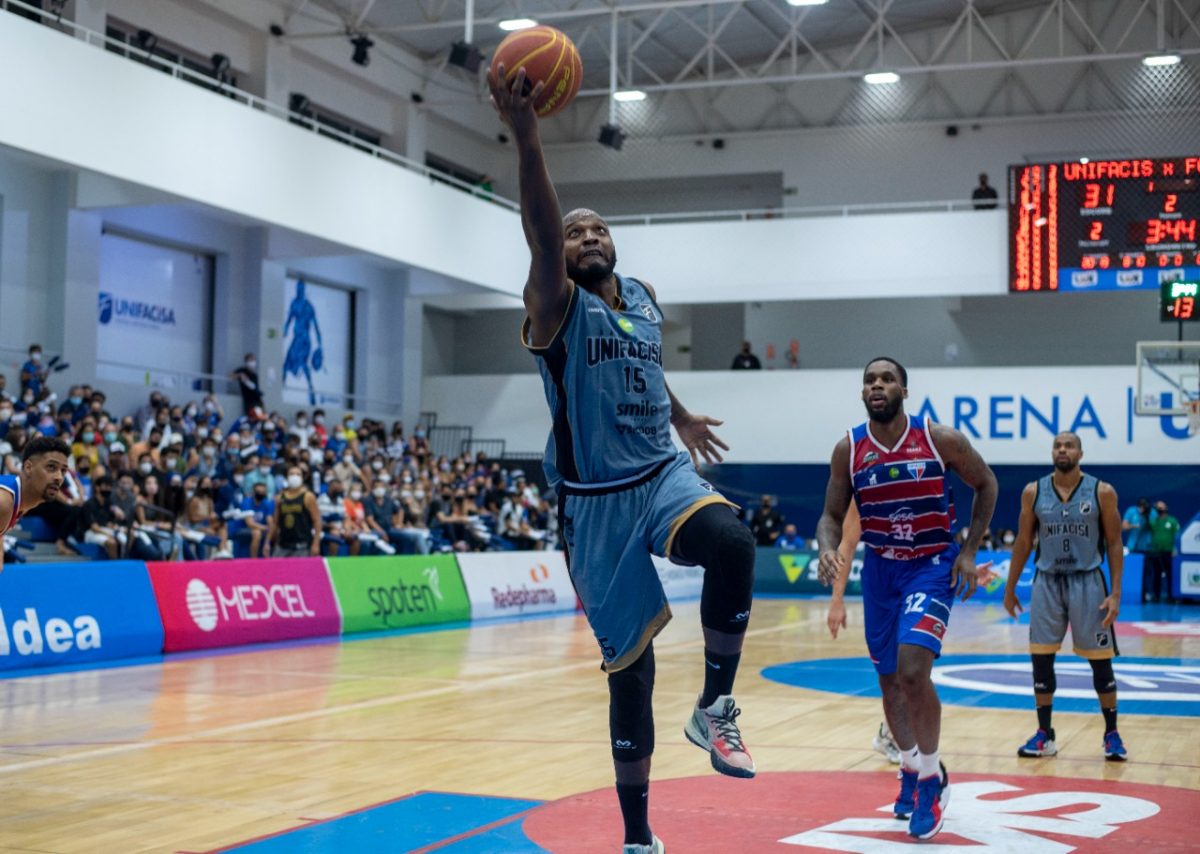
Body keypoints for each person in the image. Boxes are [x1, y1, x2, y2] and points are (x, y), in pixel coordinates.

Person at [489, 62, 758, 854]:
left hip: (660, 473)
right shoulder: (554, 304)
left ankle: (714, 708)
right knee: (632, 675)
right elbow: (542, 234)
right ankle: (639, 835)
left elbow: (642, 363)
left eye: (598, 229)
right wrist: (527, 136)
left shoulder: (641, 296)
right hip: (595, 502)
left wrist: (678, 415)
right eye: (577, 232)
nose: (587, 237)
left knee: (733, 541)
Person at [816, 356, 997, 841]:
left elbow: (986, 484)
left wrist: (969, 551)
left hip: (931, 564)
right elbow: (830, 516)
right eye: (869, 380)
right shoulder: (849, 449)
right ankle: (912, 767)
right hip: (881, 569)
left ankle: (932, 780)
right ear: (862, 393)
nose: (877, 385)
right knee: (890, 681)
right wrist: (827, 549)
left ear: (904, 391)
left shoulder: (940, 440)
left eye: (887, 379)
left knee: (913, 671)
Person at [1003, 432, 1127, 762]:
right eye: (1057, 445)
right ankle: (1045, 733)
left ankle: (1111, 733)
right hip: (1047, 580)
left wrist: (1116, 593)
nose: (1062, 450)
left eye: (1069, 446)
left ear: (1080, 453)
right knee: (1041, 658)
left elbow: (1115, 543)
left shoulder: (1102, 491)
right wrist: (1010, 587)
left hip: (1088, 581)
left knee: (1100, 660)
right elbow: (1023, 542)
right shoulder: (1033, 491)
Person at [1, 436, 70, 548]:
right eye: (51, 467)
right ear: (28, 467)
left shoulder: (20, 501)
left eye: (63, 470)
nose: (59, 477)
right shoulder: (4, 501)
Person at [283, 280, 324, 406]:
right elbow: (289, 318)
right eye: (298, 288)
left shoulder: (308, 306)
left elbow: (315, 325)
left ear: (304, 290)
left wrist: (320, 344)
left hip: (305, 341)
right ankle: (280, 389)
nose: (299, 290)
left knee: (303, 364)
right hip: (296, 339)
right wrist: (285, 330)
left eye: (301, 288)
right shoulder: (294, 303)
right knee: (286, 363)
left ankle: (311, 390)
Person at [270, 464, 323, 557]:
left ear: (303, 478)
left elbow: (317, 521)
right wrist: (268, 542)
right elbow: (275, 522)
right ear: (287, 477)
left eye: (298, 474)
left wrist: (316, 544)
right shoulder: (280, 497)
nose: (294, 477)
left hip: (302, 545)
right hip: (283, 544)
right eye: (291, 474)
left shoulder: (308, 496)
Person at [1147, 500, 1180, 604]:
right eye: (1158, 507)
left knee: (1170, 575)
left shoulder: (1172, 521)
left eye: (1161, 507)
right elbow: (1146, 524)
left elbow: (1177, 535)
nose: (1160, 509)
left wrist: (1175, 548)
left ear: (1166, 508)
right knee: (1156, 575)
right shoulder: (1154, 521)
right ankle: (1156, 596)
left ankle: (1171, 596)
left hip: (1169, 552)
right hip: (1156, 551)